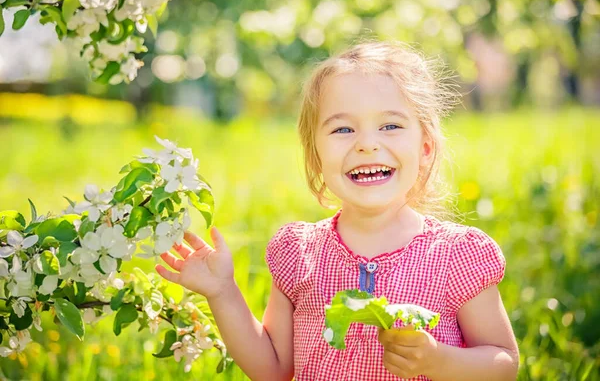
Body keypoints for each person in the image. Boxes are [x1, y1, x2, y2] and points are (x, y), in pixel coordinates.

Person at [155, 41, 520, 381]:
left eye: (390, 126)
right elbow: (272, 370)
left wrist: (439, 360)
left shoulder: (457, 256)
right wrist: (223, 292)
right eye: (343, 129)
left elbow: (504, 363)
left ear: (424, 148)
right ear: (315, 156)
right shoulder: (299, 253)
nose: (366, 144)